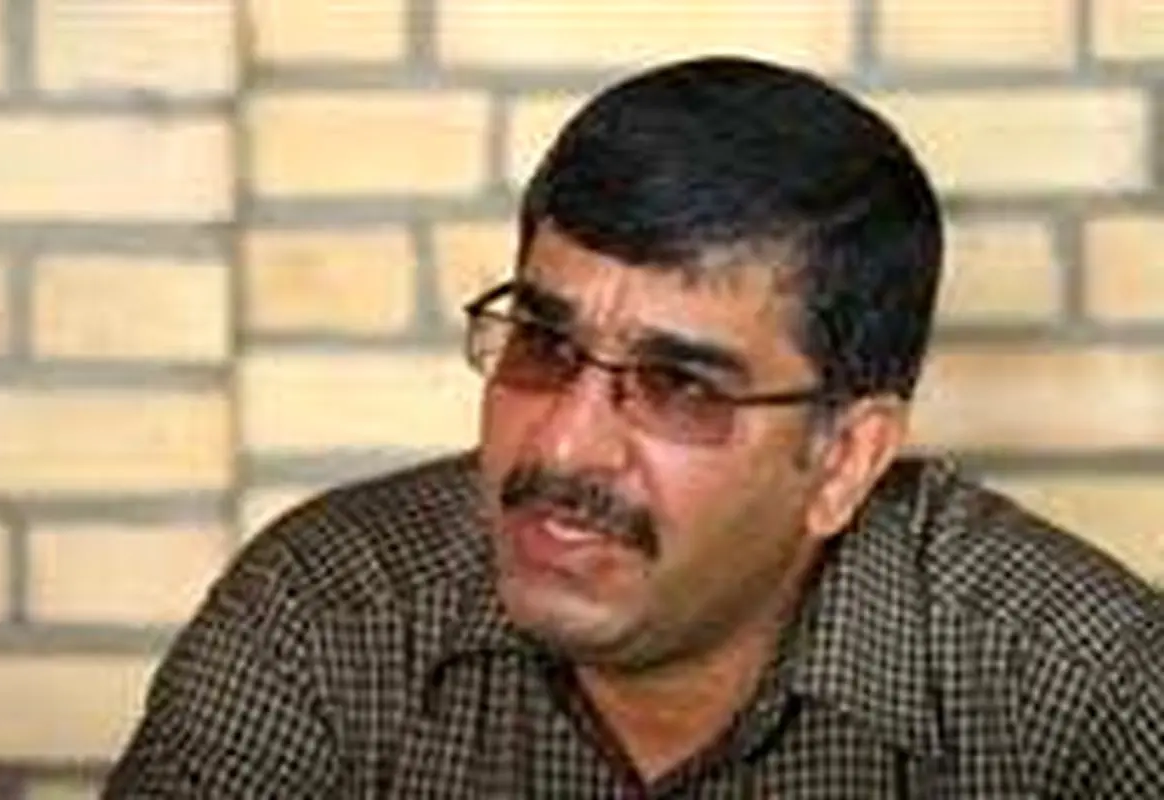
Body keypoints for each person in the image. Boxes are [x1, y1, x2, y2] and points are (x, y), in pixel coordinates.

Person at [103, 55, 1162, 798]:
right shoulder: (332, 610)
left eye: (679, 387)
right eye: (543, 344)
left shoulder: (1076, 688)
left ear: (844, 459)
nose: (562, 447)